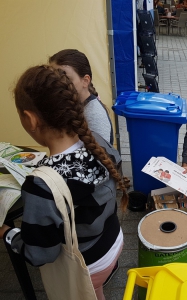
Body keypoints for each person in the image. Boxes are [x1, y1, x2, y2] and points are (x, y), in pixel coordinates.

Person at [0, 65, 129, 300]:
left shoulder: (40, 186)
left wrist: (7, 233)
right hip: (113, 243)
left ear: (29, 119)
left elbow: (39, 255)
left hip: (87, 266)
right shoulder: (98, 142)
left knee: (88, 285)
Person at [49, 49, 114, 145]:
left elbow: (102, 157)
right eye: (53, 78)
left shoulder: (94, 115)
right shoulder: (70, 106)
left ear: (85, 81)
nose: (57, 84)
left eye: (66, 78)